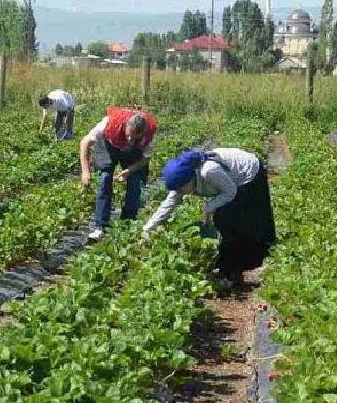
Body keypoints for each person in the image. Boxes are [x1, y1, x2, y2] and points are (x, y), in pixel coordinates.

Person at [144, 148, 276, 289]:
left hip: (249, 173)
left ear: (190, 179)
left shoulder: (209, 172)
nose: (180, 193)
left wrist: (209, 207)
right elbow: (168, 205)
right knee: (224, 219)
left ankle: (234, 270)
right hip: (229, 181)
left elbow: (231, 191)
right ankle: (230, 265)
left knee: (233, 222)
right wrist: (147, 229)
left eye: (182, 189)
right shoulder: (182, 181)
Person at [79, 107, 157, 242]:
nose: (130, 139)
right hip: (109, 143)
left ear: (143, 133)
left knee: (135, 181)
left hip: (134, 153)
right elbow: (85, 142)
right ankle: (100, 227)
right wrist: (85, 171)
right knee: (105, 178)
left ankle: (127, 224)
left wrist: (129, 170)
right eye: (128, 135)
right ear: (126, 125)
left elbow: (145, 158)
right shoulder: (109, 124)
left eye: (135, 137)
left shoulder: (149, 133)